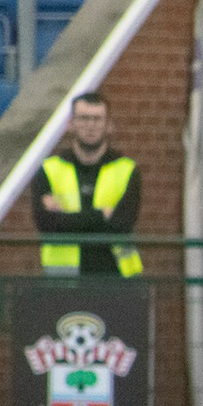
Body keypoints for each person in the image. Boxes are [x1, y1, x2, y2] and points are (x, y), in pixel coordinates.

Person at [32, 93, 142, 278]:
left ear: (109, 125)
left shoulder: (127, 169)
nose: (90, 125)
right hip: (64, 279)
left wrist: (67, 219)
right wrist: (102, 215)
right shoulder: (49, 170)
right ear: (70, 124)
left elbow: (122, 224)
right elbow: (47, 225)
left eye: (97, 119)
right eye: (83, 118)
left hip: (117, 278)